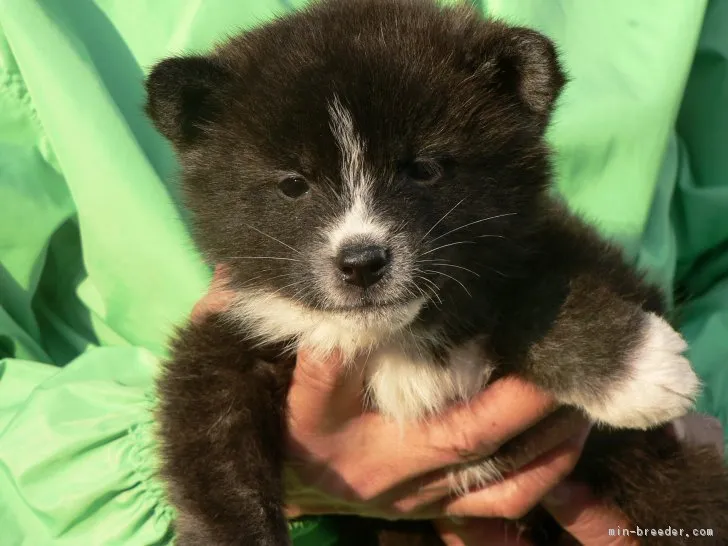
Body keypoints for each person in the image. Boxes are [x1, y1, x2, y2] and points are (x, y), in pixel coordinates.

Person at [0, 1, 726, 545]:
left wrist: (620, 363)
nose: (361, 234)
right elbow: (204, 417)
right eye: (293, 187)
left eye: (421, 171)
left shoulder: (523, 259)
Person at [189, 267, 723, 545]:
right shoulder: (254, 318)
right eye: (294, 185)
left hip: (628, 495)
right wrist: (277, 490)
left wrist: (703, 404)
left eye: (419, 171)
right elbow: (204, 401)